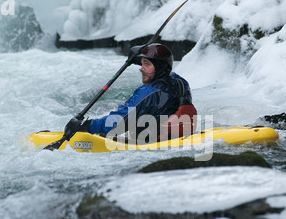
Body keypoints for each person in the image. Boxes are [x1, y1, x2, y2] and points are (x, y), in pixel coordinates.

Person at [64, 43, 197, 144]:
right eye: (141, 63)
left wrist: (86, 126)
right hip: (173, 136)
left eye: (146, 64)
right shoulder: (180, 82)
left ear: (160, 67)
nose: (141, 68)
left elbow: (118, 123)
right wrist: (142, 53)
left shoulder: (147, 93)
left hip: (150, 144)